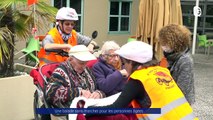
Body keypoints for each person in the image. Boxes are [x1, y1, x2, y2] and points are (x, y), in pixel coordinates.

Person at [86, 41, 197, 120]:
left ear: (132, 62)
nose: (124, 66)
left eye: (124, 63)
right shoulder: (162, 71)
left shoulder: (139, 79)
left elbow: (115, 108)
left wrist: (89, 111)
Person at [45, 45, 105, 119]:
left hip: (90, 108)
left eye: (86, 63)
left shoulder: (87, 70)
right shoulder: (61, 71)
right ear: (70, 59)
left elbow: (98, 87)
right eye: (81, 63)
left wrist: (99, 94)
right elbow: (50, 93)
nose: (84, 66)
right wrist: (79, 92)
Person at [158, 24, 195, 105]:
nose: (162, 46)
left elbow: (183, 88)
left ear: (174, 43)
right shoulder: (170, 55)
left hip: (180, 103)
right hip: (169, 99)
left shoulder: (185, 60)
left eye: (164, 43)